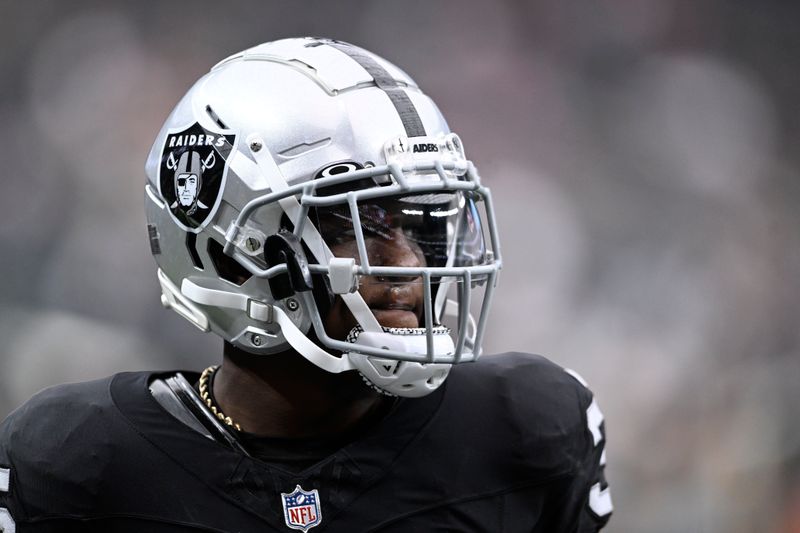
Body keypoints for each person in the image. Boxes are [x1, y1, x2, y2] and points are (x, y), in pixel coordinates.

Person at [0, 37, 612, 532]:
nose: (407, 263)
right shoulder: (78, 462)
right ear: (229, 250)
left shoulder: (522, 430)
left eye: (420, 223)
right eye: (361, 225)